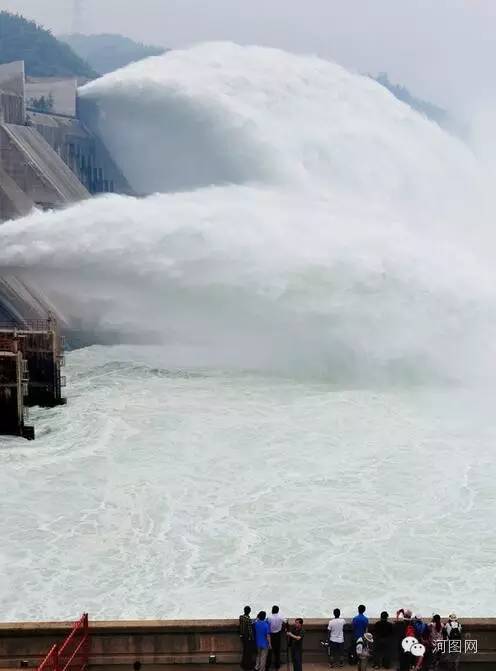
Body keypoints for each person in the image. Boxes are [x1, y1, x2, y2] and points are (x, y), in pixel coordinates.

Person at [267, 606, 284, 670]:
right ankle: (277, 665)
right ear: (278, 610)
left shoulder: (269, 617)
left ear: (272, 610)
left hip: (271, 635)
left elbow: (267, 623)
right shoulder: (280, 617)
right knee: (277, 651)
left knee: (270, 651)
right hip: (278, 635)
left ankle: (268, 665)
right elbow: (285, 621)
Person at [239, 606, 256, 671]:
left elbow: (243, 625)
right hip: (248, 638)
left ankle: (243, 664)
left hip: (242, 636)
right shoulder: (248, 619)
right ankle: (247, 666)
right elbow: (250, 630)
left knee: (245, 651)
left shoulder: (241, 617)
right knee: (248, 652)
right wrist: (252, 638)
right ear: (249, 611)